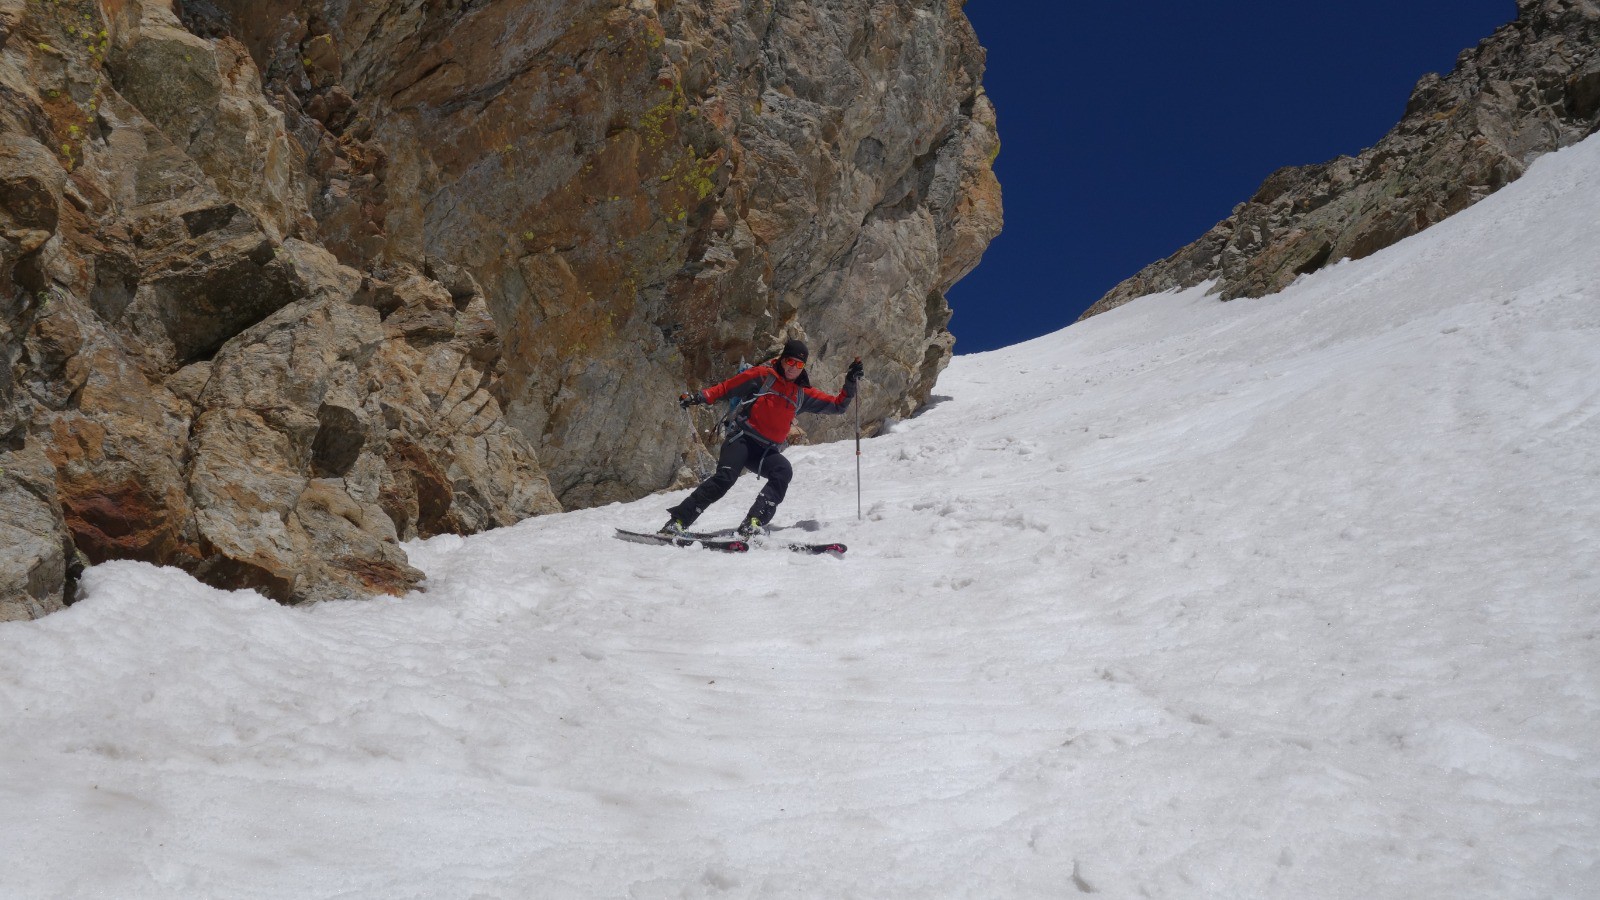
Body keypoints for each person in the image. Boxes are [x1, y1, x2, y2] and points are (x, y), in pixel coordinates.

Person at [664, 338, 863, 537]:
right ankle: (678, 521)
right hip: (741, 439)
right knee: (725, 478)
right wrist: (698, 397)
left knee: (783, 471)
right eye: (790, 361)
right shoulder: (762, 376)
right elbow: (726, 388)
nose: (794, 368)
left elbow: (838, 405)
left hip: (765, 450)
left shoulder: (802, 394)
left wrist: (850, 382)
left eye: (799, 364)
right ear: (783, 360)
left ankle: (753, 522)